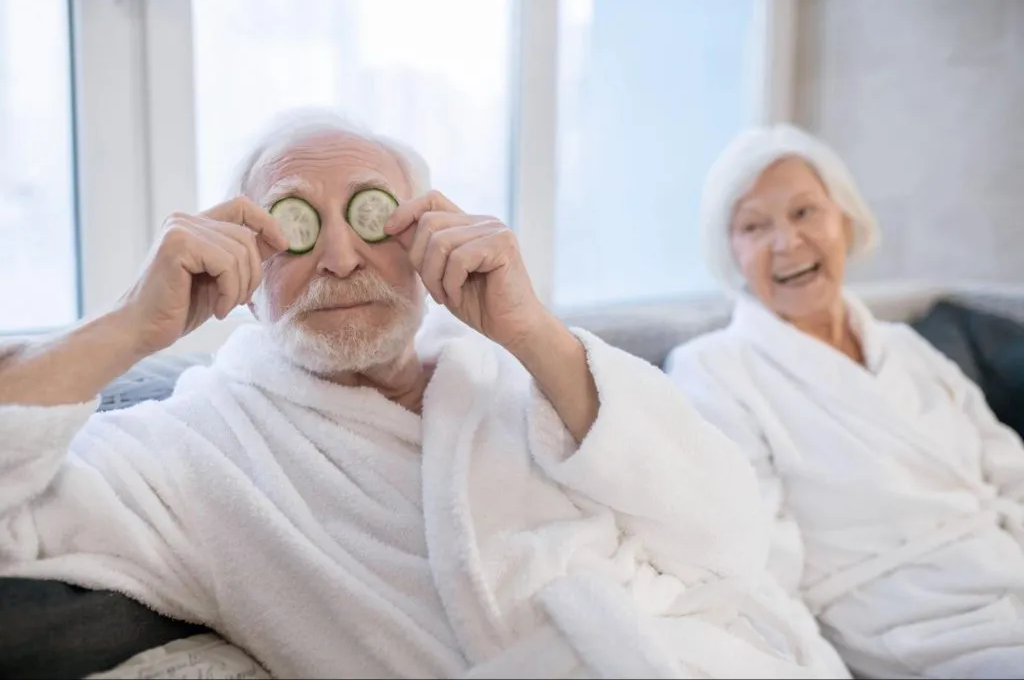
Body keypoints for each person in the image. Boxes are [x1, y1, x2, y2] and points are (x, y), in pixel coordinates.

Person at [0, 111, 847, 679]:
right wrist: (122, 329)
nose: (338, 257)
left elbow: (731, 534)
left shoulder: (520, 375)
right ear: (247, 276)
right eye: (295, 225)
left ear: (426, 235)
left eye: (369, 218)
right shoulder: (197, 451)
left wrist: (536, 335)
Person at [666, 123, 1024, 679]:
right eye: (754, 226)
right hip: (908, 626)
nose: (786, 243)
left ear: (845, 218)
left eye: (804, 212)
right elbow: (756, 560)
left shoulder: (905, 347)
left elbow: (1008, 467)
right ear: (730, 251)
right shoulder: (713, 369)